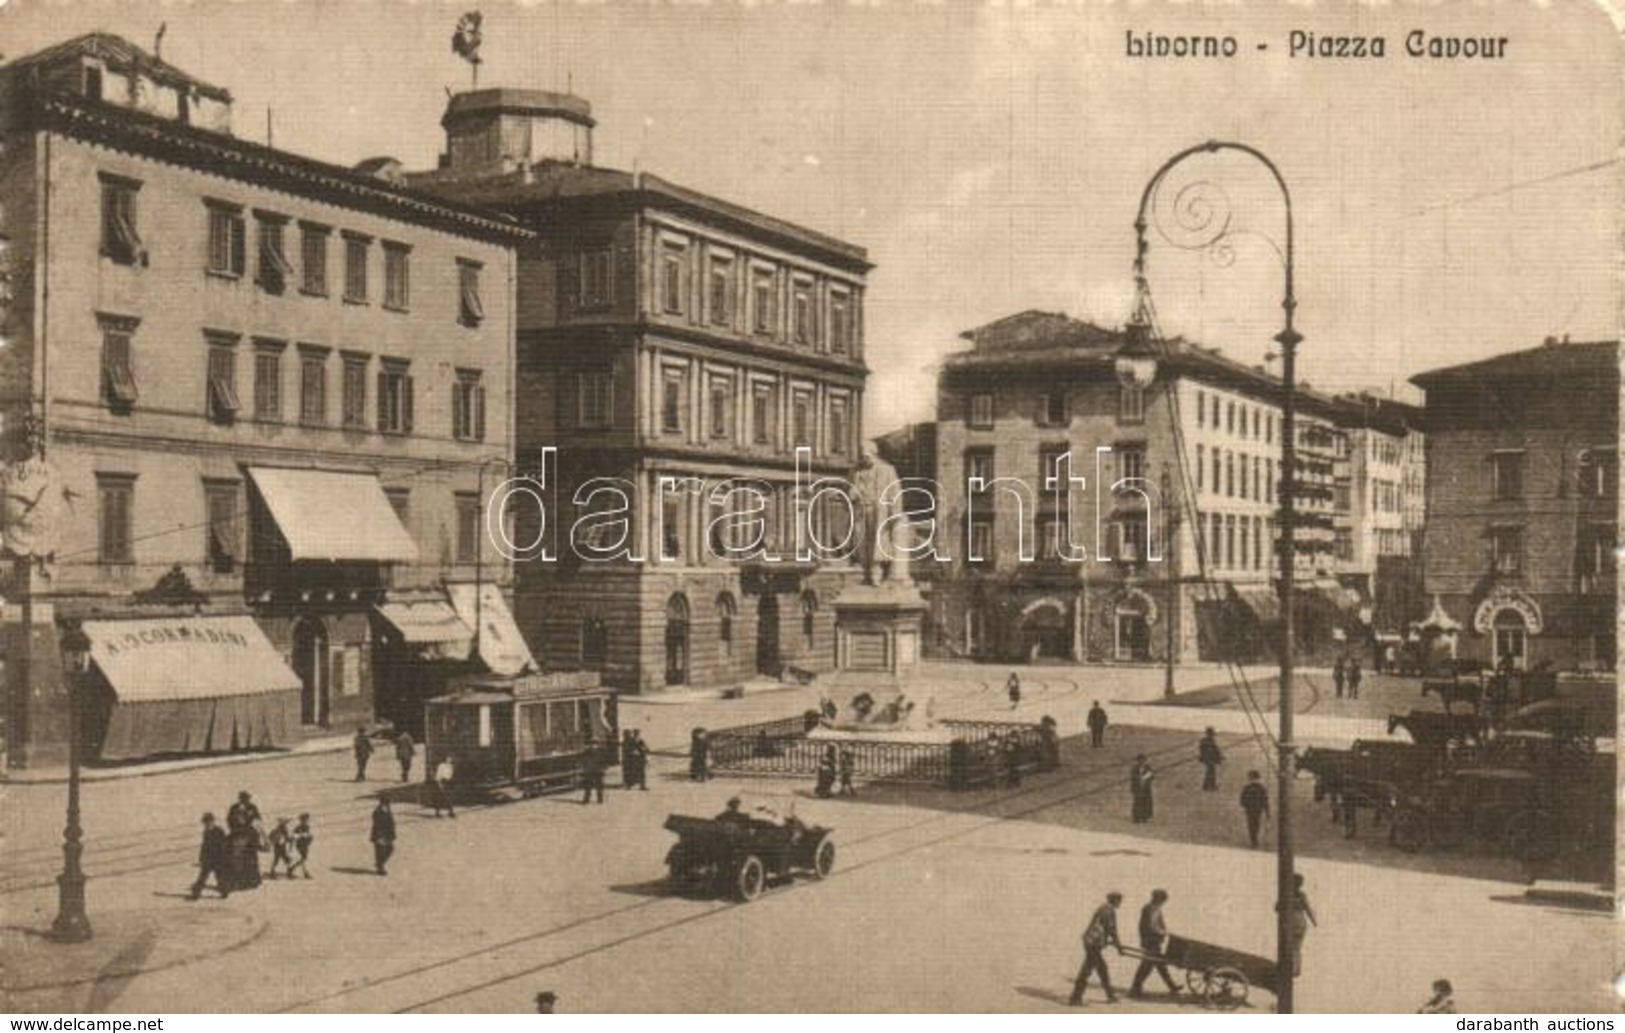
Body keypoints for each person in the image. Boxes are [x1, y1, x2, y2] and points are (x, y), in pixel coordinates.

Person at [1069, 891, 1123, 1005]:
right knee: (1087, 971)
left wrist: (1115, 943)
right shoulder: (1108, 911)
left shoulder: (1103, 908)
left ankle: (1110, 995)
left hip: (1091, 941)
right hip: (1093, 943)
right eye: (1119, 900)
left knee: (1102, 969)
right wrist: (1118, 946)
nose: (1120, 903)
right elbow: (1111, 929)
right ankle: (1075, 998)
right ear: (1114, 900)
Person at [1129, 889, 1180, 998]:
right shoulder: (1150, 909)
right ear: (1158, 899)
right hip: (1151, 941)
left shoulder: (1154, 909)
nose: (1164, 903)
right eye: (1163, 900)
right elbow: (1150, 926)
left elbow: (1158, 924)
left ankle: (1172, 986)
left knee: (1158, 964)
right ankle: (1135, 988)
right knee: (1147, 965)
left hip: (1153, 941)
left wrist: (1163, 932)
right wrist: (1163, 932)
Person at [1275, 873, 1317, 976]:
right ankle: (1296, 969)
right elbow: (1309, 910)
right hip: (1301, 924)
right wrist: (1314, 921)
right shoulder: (1302, 896)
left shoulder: (1285, 894)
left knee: (1287, 947)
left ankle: (1287, 968)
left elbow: (1276, 908)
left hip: (1288, 924)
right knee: (1297, 948)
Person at [225, 790, 263, 890]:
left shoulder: (252, 807)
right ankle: (237, 882)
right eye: (243, 799)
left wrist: (251, 822)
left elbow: (258, 820)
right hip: (237, 835)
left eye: (246, 799)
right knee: (236, 859)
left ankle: (252, 881)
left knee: (251, 859)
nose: (245, 801)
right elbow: (229, 820)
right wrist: (237, 824)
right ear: (240, 799)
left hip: (250, 837)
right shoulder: (234, 808)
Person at [189, 812, 231, 900]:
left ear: (212, 821)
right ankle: (195, 895)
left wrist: (224, 857)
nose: (206, 824)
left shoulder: (219, 831)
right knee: (202, 877)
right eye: (205, 823)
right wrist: (201, 857)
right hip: (208, 859)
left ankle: (224, 892)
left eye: (208, 822)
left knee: (220, 877)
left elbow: (224, 844)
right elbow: (204, 845)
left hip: (218, 859)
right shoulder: (206, 832)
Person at [1240, 770, 1270, 848]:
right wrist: (1267, 811)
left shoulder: (1247, 787)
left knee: (1251, 824)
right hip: (1257, 809)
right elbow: (1265, 800)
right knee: (1256, 823)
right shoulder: (1261, 788)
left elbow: (1242, 799)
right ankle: (1254, 839)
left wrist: (1245, 805)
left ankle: (1253, 839)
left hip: (1250, 809)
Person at [371, 798, 396, 876]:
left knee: (390, 848)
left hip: (387, 834)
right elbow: (377, 824)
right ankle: (380, 868)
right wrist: (379, 836)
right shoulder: (377, 812)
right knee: (379, 851)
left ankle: (379, 864)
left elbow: (392, 823)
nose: (387, 805)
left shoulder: (388, 810)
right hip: (380, 834)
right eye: (386, 803)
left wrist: (392, 834)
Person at [1130, 754, 1155, 823]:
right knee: (1137, 803)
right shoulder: (1135, 768)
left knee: (1145, 803)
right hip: (1138, 788)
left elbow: (1152, 775)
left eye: (1143, 761)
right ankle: (1136, 817)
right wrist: (1139, 779)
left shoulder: (1147, 767)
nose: (1142, 762)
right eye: (1140, 761)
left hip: (1145, 788)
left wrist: (1148, 777)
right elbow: (1133, 777)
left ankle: (1144, 817)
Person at [580, 737, 606, 805]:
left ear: (597, 745)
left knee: (599, 786)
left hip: (598, 770)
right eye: (591, 744)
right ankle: (586, 799)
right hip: (589, 771)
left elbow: (603, 761)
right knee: (588, 786)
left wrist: (603, 768)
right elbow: (583, 760)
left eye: (594, 744)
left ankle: (600, 799)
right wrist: (584, 768)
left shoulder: (600, 752)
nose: (593, 746)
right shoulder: (586, 752)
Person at [289, 813, 313, 879]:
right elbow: (293, 836)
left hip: (305, 845)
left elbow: (309, 836)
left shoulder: (307, 827)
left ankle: (292, 869)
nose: (306, 821)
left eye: (306, 820)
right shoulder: (298, 828)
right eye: (304, 820)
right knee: (301, 859)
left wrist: (308, 838)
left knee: (303, 859)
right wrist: (301, 835)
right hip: (299, 846)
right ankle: (305, 873)